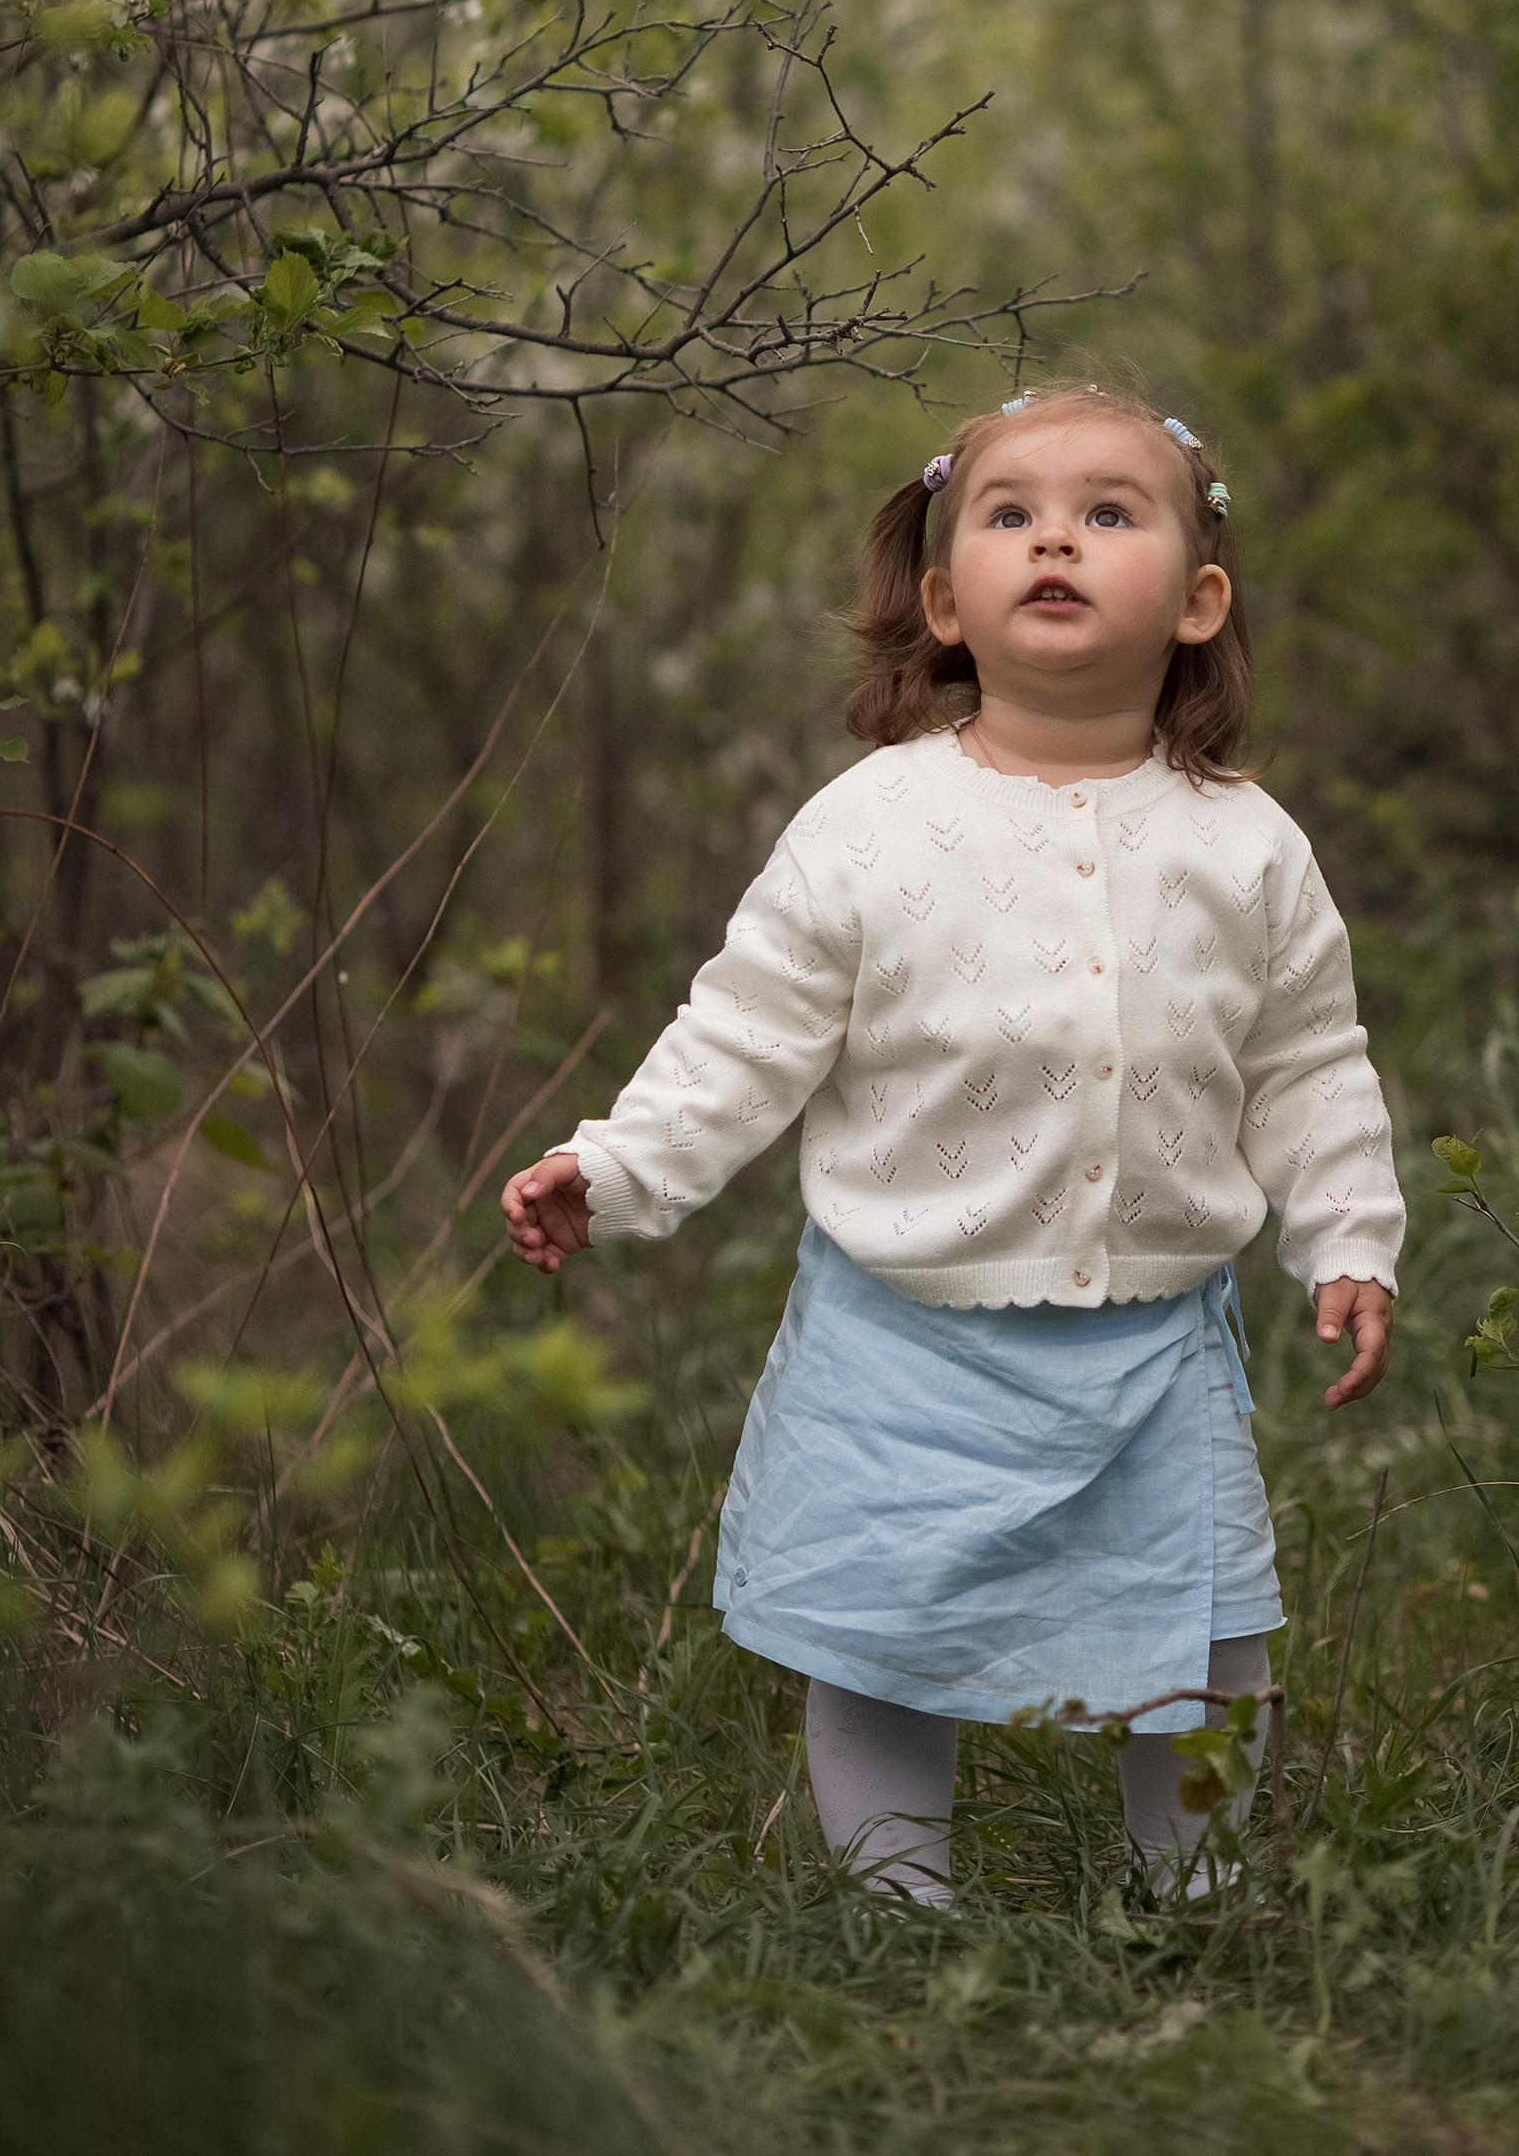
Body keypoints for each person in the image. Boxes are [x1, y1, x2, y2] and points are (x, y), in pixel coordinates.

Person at [501, 383, 1401, 1905]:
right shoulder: (867, 828)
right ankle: (895, 1916)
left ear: (1196, 600)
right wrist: (620, 1165)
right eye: (1012, 514)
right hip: (901, 1331)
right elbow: (744, 1034)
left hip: (1155, 1336)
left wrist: (1351, 1237)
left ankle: (1197, 1897)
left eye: (1108, 513)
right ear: (942, 596)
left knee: (1209, 1632)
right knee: (879, 1635)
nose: (1057, 537)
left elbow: (1310, 1060)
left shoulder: (1248, 843)